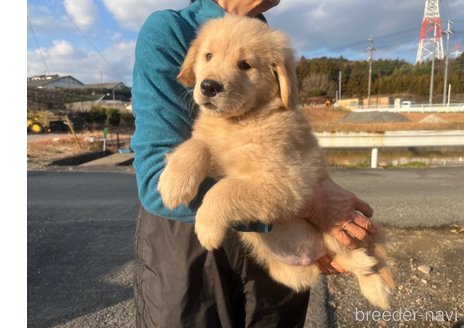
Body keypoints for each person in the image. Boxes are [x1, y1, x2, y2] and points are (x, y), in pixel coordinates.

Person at [131, 0, 375, 327]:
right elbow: (155, 180)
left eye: (246, 65)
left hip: (274, 245)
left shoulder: (270, 41)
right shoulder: (172, 30)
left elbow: (292, 148)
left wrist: (322, 223)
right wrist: (314, 205)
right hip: (191, 248)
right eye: (208, 57)